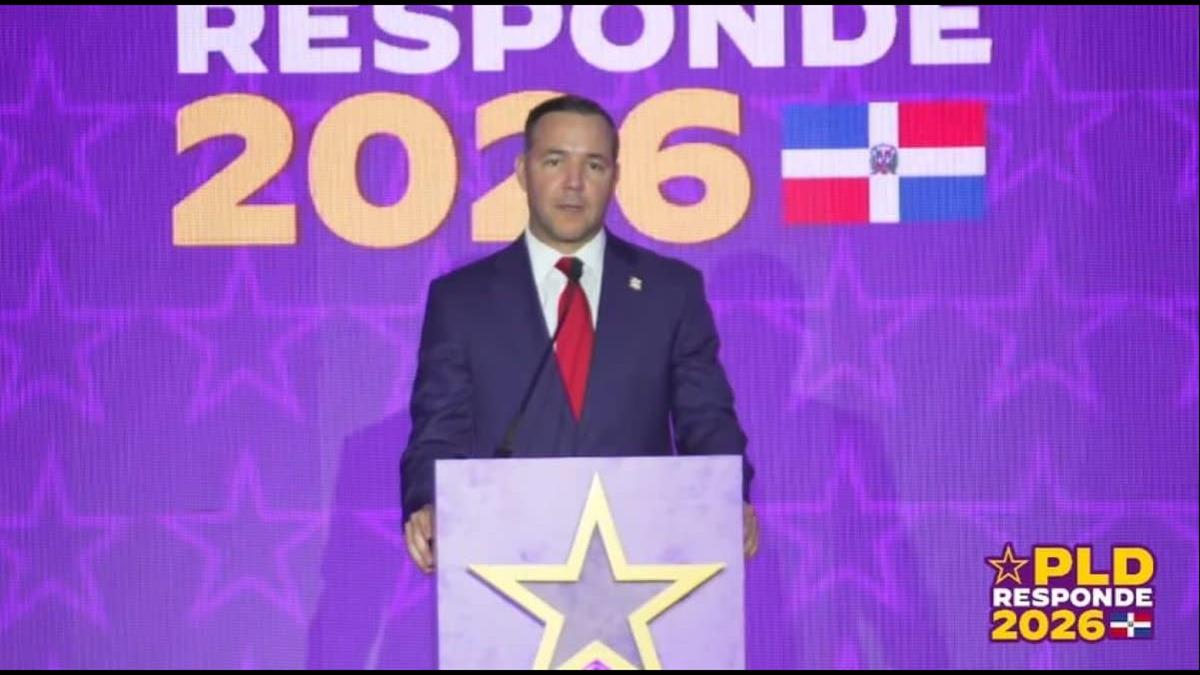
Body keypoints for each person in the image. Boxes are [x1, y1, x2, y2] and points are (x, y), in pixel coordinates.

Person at [401, 94, 757, 573]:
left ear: (615, 177)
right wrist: (429, 502)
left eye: (594, 165)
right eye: (555, 161)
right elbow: (439, 431)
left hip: (642, 563)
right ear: (522, 172)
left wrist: (729, 497)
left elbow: (707, 420)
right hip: (505, 562)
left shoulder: (670, 292)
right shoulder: (461, 300)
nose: (574, 183)